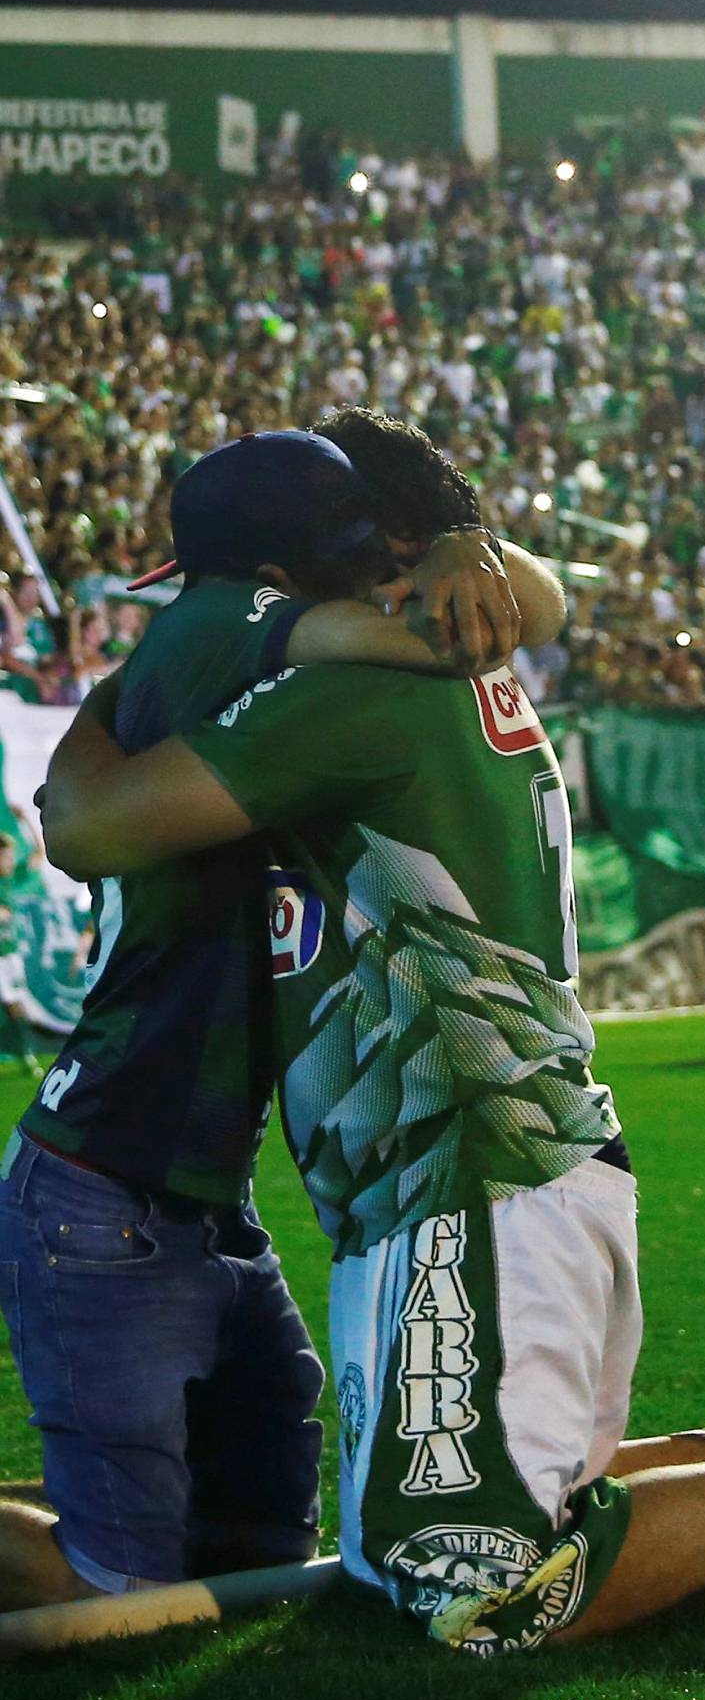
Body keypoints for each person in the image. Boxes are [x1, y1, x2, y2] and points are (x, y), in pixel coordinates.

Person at [43, 563, 705, 1651]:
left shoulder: (344, 693)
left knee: (476, 1587)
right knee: (420, 1540)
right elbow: (539, 599)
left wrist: (116, 688)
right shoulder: (458, 662)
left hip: (464, 1167)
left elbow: (82, 822)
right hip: (510, 1158)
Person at [0, 429, 556, 1613]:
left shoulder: (200, 648)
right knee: (119, 1592)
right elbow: (464, 625)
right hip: (111, 1184)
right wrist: (464, 550)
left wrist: (472, 541)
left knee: (257, 1544)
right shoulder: (224, 622)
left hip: (184, 1187)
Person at [0, 834, 41, 1076]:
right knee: (12, 1003)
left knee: (15, 1003)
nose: (11, 861)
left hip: (10, 955)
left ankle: (26, 1053)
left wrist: (26, 819)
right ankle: (26, 1054)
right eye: (7, 856)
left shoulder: (10, 879)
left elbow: (39, 854)